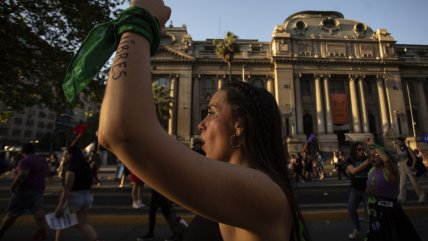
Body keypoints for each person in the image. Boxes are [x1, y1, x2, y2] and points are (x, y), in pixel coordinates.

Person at [96, 1, 310, 240]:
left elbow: (123, 132)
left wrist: (139, 20)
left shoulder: (262, 193)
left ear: (239, 125)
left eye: (212, 111)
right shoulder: (244, 191)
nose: (201, 123)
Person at [365, 141, 422, 241]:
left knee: (392, 235)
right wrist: (369, 191)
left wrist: (374, 145)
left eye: (376, 155)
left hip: (389, 211)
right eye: (371, 156)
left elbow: (386, 160)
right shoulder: (372, 171)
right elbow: (368, 187)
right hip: (375, 209)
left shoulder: (388, 170)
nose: (373, 158)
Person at [0, 143, 49, 241]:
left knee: (13, 213)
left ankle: (1, 232)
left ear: (23, 151)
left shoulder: (25, 161)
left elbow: (23, 174)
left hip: (24, 190)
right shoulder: (42, 160)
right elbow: (46, 172)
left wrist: (14, 185)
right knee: (38, 210)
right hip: (39, 189)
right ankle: (41, 230)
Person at [54, 145, 101, 241]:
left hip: (74, 198)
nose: (64, 156)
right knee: (82, 224)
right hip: (86, 197)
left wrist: (60, 206)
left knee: (63, 224)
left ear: (71, 155)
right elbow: (91, 182)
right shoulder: (86, 166)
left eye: (66, 154)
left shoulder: (71, 168)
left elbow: (67, 188)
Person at [345, 142, 371, 240]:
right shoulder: (350, 160)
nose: (361, 151)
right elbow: (353, 171)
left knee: (369, 212)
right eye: (359, 149)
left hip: (366, 190)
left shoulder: (368, 159)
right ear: (354, 151)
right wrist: (366, 163)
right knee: (351, 209)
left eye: (362, 149)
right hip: (355, 189)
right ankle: (357, 229)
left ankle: (370, 231)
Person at [394, 137, 426, 203]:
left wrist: (413, 166)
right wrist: (397, 161)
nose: (397, 143)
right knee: (402, 183)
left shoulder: (408, 148)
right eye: (396, 142)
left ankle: (422, 195)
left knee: (414, 182)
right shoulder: (397, 148)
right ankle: (401, 197)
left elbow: (414, 158)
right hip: (401, 166)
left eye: (398, 142)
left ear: (402, 141)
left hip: (408, 165)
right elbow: (398, 158)